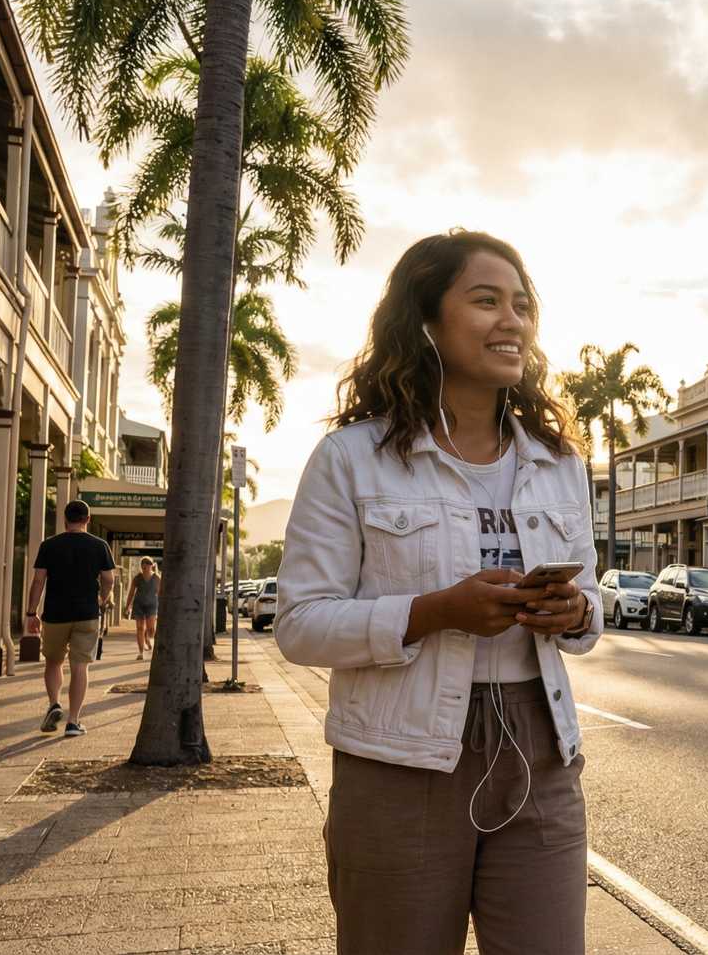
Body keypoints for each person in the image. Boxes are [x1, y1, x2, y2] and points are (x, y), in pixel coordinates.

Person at [275, 230, 601, 955]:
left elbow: (592, 606)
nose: (511, 319)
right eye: (486, 300)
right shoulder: (353, 458)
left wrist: (573, 610)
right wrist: (434, 612)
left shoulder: (558, 462)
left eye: (521, 304)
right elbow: (298, 623)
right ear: (426, 318)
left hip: (540, 751)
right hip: (399, 761)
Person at [25, 500, 116, 736]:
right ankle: (73, 722)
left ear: (65, 519)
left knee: (53, 662)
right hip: (86, 613)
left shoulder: (49, 545)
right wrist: (102, 599)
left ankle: (54, 702)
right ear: (87, 519)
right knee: (79, 667)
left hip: (55, 614)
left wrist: (31, 612)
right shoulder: (100, 545)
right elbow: (108, 579)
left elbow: (38, 580)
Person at [124, 557, 160, 659]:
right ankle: (140, 652)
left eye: (147, 564)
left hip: (152, 606)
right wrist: (127, 607)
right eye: (143, 565)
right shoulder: (137, 578)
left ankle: (148, 640)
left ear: (151, 566)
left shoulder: (157, 578)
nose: (144, 566)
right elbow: (131, 593)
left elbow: (160, 593)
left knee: (151, 629)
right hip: (139, 605)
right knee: (139, 628)